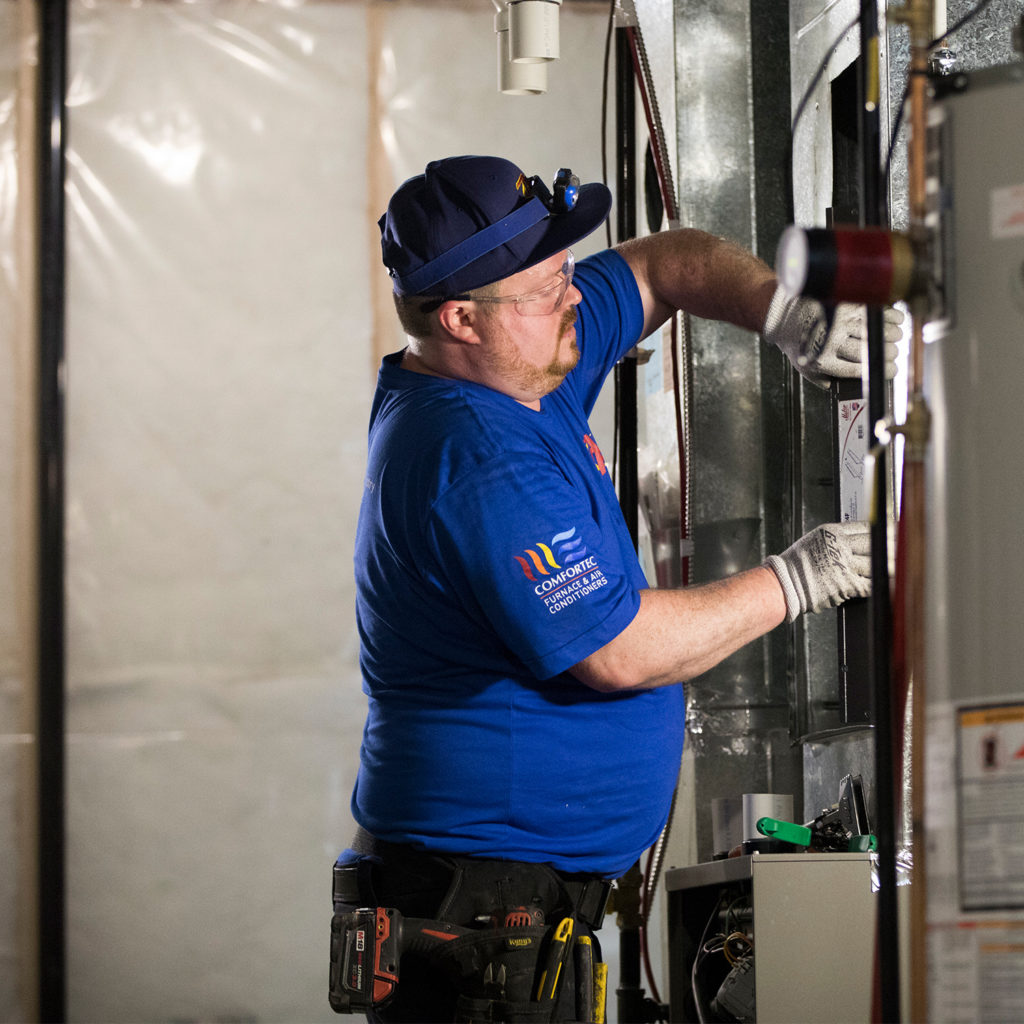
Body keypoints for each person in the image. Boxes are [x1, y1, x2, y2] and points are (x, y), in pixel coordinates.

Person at [332, 155, 899, 1023]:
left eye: (565, 270)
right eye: (547, 284)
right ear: (460, 319)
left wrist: (785, 316)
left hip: (519, 914)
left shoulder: (518, 368)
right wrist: (800, 577)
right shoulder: (471, 456)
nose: (573, 296)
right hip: (476, 922)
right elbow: (619, 651)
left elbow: (665, 263)